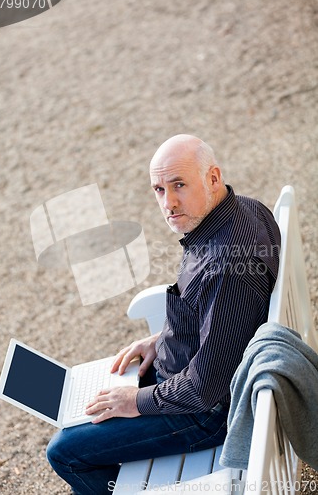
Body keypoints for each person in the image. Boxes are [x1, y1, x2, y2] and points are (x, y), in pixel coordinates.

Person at [46, 134, 281, 494]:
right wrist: (163, 339)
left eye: (179, 185)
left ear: (213, 178)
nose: (168, 203)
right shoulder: (244, 209)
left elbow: (204, 391)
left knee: (65, 451)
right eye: (158, 189)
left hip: (205, 415)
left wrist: (135, 401)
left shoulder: (226, 266)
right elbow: (217, 320)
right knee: (80, 413)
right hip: (189, 378)